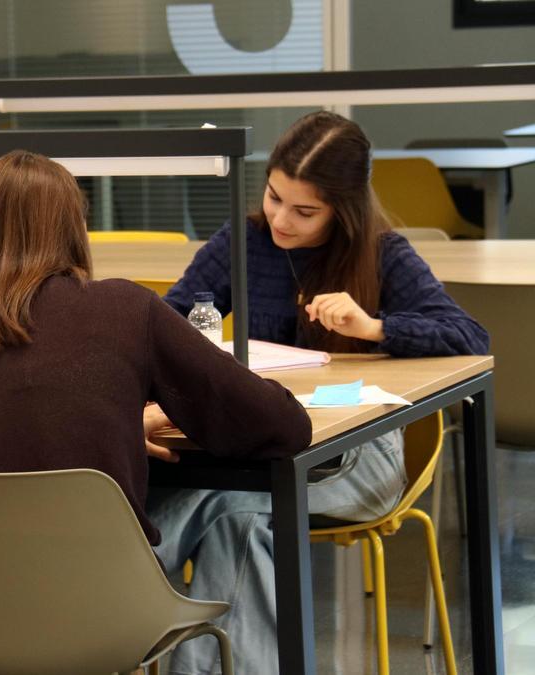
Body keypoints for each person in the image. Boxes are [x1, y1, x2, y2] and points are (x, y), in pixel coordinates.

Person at [152, 111, 490, 674]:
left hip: (357, 458)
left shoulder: (383, 254)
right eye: (275, 197)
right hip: (258, 452)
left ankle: (117, 604)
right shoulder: (246, 241)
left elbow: (470, 336)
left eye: (305, 211)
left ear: (343, 209)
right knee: (196, 501)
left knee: (228, 514)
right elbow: (167, 320)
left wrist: (376, 328)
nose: (282, 219)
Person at [0, 149, 312, 550]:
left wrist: (114, 424)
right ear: (76, 229)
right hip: (106, 599)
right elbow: (278, 427)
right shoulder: (125, 309)